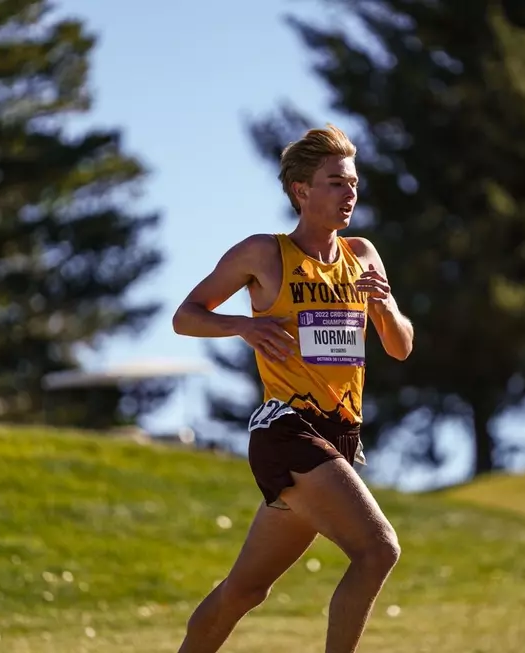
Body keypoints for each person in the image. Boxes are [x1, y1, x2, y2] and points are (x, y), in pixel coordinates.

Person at [171, 123, 414, 653]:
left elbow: (399, 346)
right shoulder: (265, 253)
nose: (349, 193)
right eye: (335, 182)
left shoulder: (363, 256)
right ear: (302, 191)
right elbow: (185, 316)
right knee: (378, 550)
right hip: (288, 429)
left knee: (246, 589)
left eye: (352, 182)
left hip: (341, 437)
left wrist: (386, 306)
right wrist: (244, 325)